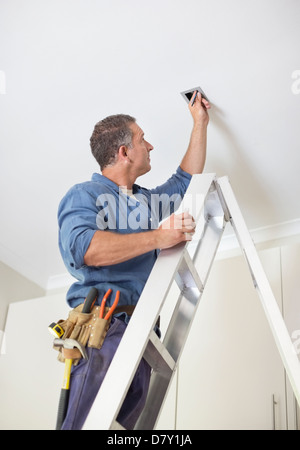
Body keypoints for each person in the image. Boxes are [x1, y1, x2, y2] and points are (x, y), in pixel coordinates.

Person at [57, 91, 210, 430]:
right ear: (124, 152)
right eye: (143, 140)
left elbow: (186, 181)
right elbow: (85, 248)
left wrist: (200, 123)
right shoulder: (86, 194)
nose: (150, 146)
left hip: (142, 335)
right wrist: (160, 236)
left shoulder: (143, 202)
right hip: (105, 329)